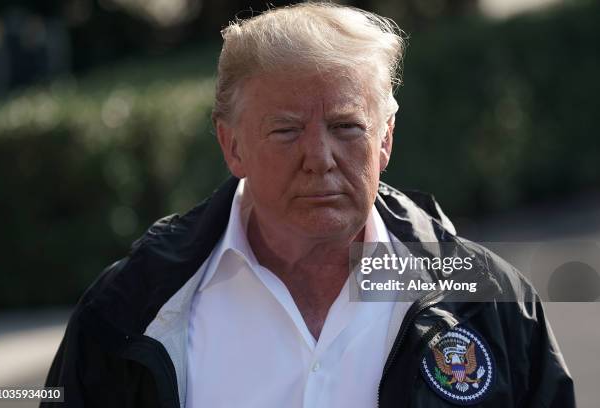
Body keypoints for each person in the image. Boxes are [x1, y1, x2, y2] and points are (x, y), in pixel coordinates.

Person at [42, 3, 575, 407]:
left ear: (385, 139)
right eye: (286, 130)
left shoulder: (490, 301)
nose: (319, 158)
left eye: (347, 127)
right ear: (232, 145)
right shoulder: (127, 308)